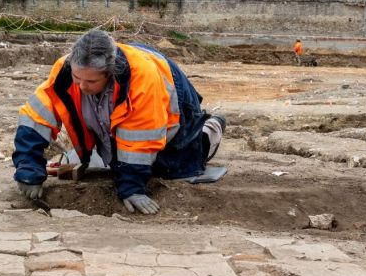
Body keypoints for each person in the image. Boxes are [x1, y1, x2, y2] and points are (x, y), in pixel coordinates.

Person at [13, 29, 225, 215]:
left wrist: (131, 188)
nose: (82, 86)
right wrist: (28, 168)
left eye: (91, 81)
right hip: (131, 107)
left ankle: (211, 129)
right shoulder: (65, 70)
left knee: (177, 167)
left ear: (110, 74)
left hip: (175, 108)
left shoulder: (142, 80)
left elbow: (140, 139)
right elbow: (35, 119)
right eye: (77, 78)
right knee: (117, 161)